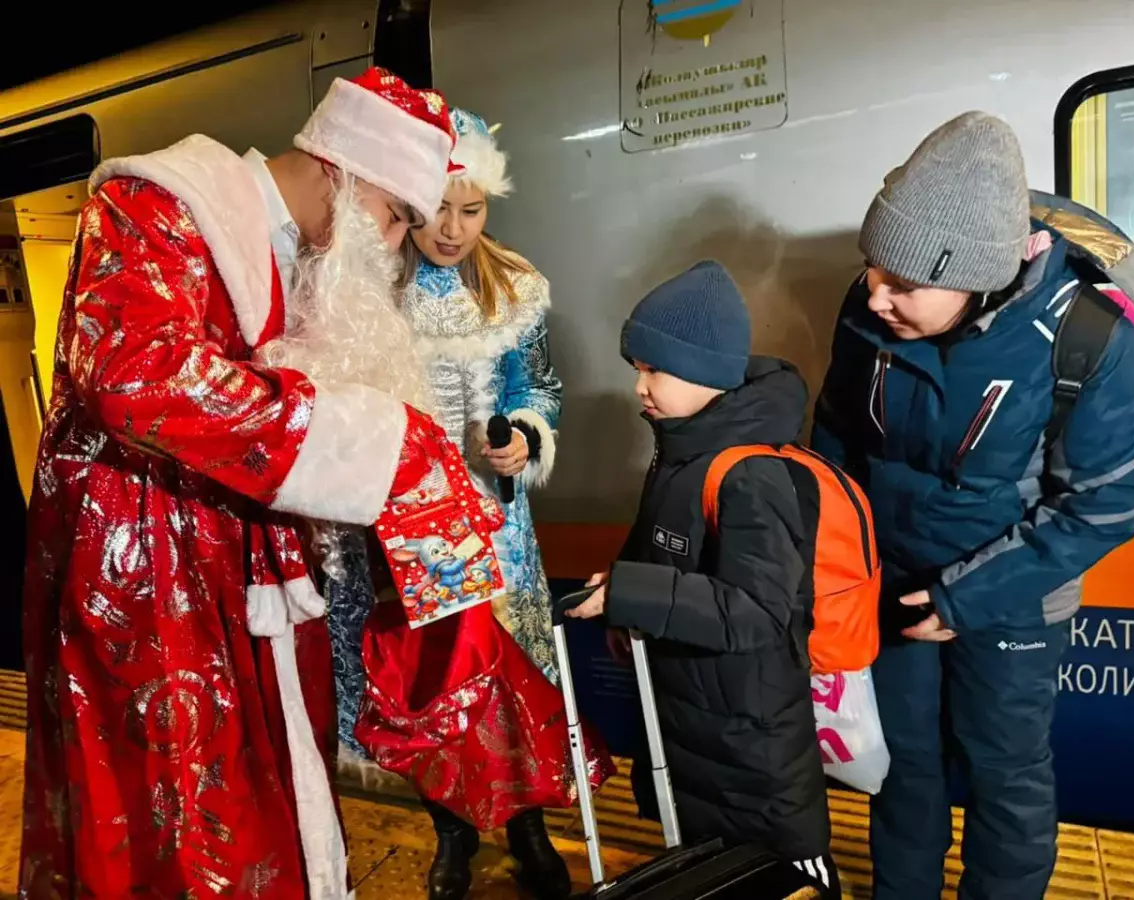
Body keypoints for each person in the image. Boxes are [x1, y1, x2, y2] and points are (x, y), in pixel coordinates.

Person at [20, 67, 463, 900]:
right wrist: (366, 439)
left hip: (236, 588)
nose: (396, 244)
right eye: (396, 216)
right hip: (148, 590)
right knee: (171, 826)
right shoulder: (157, 203)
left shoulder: (294, 264)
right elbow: (133, 373)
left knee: (250, 810)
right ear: (346, 171)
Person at [810, 112, 1134, 900]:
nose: (875, 294)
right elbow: (836, 437)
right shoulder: (868, 310)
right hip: (891, 588)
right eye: (873, 269)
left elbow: (1106, 504)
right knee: (903, 766)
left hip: (1012, 602)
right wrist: (829, 555)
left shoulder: (1090, 341)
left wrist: (961, 597)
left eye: (902, 283)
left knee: (1005, 776)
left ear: (975, 278)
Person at [333, 108, 608, 900]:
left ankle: (528, 828)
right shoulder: (370, 293)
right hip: (407, 536)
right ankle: (451, 831)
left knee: (514, 680)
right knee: (432, 687)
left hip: (499, 529)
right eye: (437, 207)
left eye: (472, 207)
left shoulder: (515, 286)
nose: (452, 228)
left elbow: (539, 388)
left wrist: (526, 436)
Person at [567, 260, 841, 899]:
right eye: (636, 368)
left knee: (779, 875)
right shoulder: (679, 450)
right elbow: (672, 562)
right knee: (712, 873)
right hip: (695, 722)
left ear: (705, 372)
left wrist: (631, 594)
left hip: (754, 743)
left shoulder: (751, 475)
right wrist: (626, 598)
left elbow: (756, 610)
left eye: (653, 370)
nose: (639, 386)